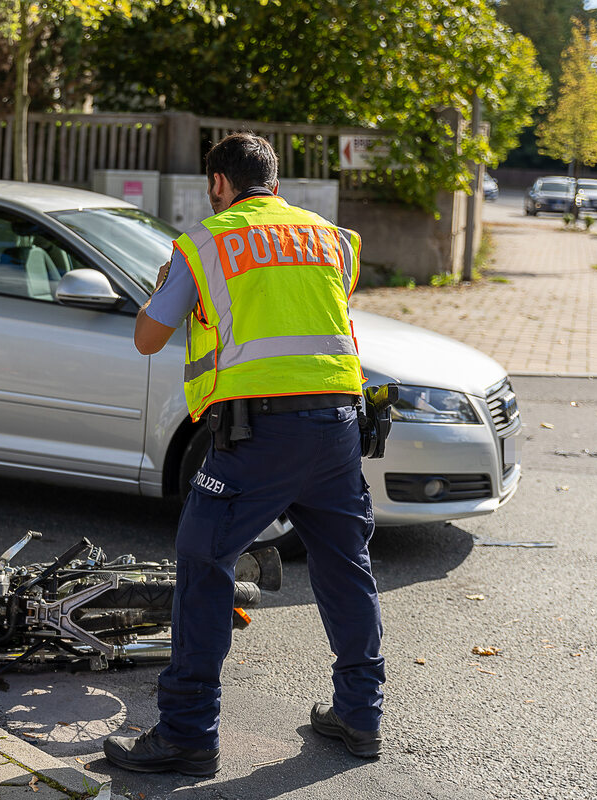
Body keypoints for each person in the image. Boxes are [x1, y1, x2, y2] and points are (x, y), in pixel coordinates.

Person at [102, 132, 386, 776]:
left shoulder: (207, 242)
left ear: (218, 185)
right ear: (276, 185)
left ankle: (187, 733)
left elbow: (149, 337)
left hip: (257, 435)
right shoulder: (330, 238)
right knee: (345, 566)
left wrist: (165, 290)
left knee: (203, 560)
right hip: (340, 423)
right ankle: (361, 717)